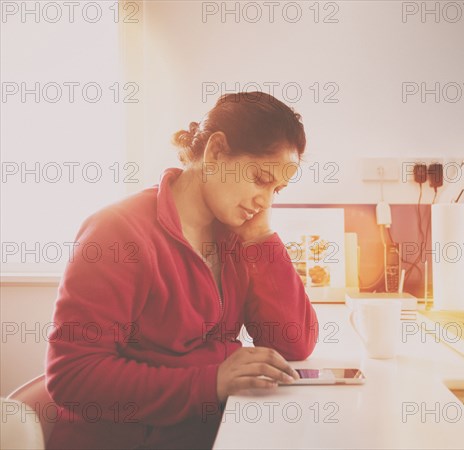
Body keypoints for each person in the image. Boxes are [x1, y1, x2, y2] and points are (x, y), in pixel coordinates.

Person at [45, 92, 319, 449]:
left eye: (277, 190)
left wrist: (261, 238)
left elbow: (294, 342)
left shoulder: (236, 234)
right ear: (216, 151)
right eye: (260, 179)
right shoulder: (117, 233)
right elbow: (74, 377)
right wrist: (211, 384)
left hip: (210, 433)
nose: (266, 201)